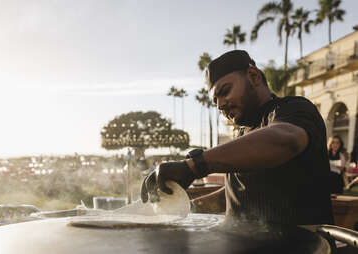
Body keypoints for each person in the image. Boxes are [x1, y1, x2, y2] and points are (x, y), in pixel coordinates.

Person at [141, 50, 334, 227]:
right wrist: (185, 206)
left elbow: (285, 140)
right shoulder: (245, 133)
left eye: (224, 91)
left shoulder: (293, 109)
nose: (220, 105)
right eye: (215, 100)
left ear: (253, 76)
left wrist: (193, 166)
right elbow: (237, 192)